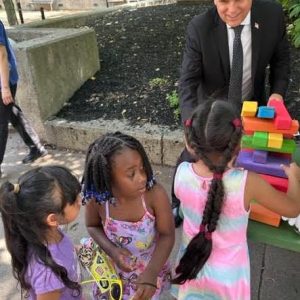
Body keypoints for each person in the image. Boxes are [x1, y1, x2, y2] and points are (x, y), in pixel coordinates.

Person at [172, 0, 290, 226]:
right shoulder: (200, 27)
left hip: (252, 106)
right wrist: (190, 127)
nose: (232, 9)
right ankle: (177, 202)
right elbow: (187, 82)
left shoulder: (272, 15)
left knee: (257, 161)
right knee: (195, 157)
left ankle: (245, 204)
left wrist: (277, 93)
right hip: (213, 113)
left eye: (240, 0)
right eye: (224, 1)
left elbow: (281, 61)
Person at [170, 100, 300, 299]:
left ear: (189, 143)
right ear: (239, 142)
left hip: (191, 264)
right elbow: (292, 208)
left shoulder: (182, 173)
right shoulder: (248, 183)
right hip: (229, 278)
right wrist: (294, 177)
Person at [82, 132, 175, 300]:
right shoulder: (99, 200)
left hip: (148, 270)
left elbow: (167, 235)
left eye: (142, 168)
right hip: (114, 274)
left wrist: (152, 272)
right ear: (108, 179)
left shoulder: (154, 195)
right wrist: (112, 251)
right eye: (131, 174)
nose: (142, 177)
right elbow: (92, 226)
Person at [0, 166, 82, 300]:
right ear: (53, 219)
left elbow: (61, 249)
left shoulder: (47, 233)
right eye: (74, 200)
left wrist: (75, 250)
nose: (80, 200)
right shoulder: (48, 275)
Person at [0, 20, 47, 179]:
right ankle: (36, 147)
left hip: (3, 81)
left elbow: (2, 55)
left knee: (1, 122)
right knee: (12, 111)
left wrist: (5, 87)